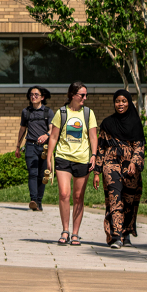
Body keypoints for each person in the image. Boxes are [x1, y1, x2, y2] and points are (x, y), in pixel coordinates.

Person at [46, 81, 97, 246]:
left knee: (78, 196)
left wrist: (94, 155)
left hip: (82, 159)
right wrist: (49, 157)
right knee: (64, 194)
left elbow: (93, 137)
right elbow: (53, 137)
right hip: (63, 157)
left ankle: (75, 233)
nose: (85, 98)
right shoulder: (61, 112)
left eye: (85, 95)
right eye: (82, 95)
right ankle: (65, 230)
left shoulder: (88, 113)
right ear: (72, 95)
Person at [93, 90, 145, 249]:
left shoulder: (135, 123)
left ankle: (126, 233)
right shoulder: (107, 123)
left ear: (129, 102)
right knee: (114, 199)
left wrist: (134, 163)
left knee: (128, 201)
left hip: (130, 168)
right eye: (117, 101)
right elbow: (101, 148)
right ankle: (115, 236)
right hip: (111, 165)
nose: (120, 104)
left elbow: (140, 147)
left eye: (124, 101)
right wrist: (97, 171)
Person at [15, 86, 54, 211]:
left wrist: (46, 135)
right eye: (31, 94)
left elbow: (52, 129)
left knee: (42, 175)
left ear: (42, 97)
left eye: (36, 95)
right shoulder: (26, 112)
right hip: (30, 145)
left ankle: (39, 201)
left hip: (44, 148)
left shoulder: (48, 112)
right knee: (32, 174)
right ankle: (33, 200)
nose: (33, 97)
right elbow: (22, 129)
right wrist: (17, 146)